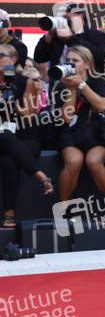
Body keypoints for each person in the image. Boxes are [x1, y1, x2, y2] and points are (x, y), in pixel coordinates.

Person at [52, 45, 105, 210]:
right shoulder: (61, 85)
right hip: (72, 132)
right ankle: (63, 209)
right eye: (68, 60)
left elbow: (102, 106)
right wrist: (71, 89)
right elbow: (67, 118)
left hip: (97, 132)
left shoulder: (100, 81)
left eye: (75, 61)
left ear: (87, 64)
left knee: (94, 161)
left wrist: (81, 85)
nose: (70, 63)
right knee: (73, 161)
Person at [0, 64, 54, 228]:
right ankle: (40, 176)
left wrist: (12, 105)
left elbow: (29, 116)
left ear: (13, 59)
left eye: (2, 55)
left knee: (9, 162)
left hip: (27, 137)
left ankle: (9, 215)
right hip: (3, 137)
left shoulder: (24, 81)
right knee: (4, 133)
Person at [34, 3, 105, 76]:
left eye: (66, 18)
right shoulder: (57, 36)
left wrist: (70, 39)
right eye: (59, 18)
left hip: (88, 81)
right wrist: (49, 35)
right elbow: (39, 58)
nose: (63, 21)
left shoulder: (96, 35)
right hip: (60, 81)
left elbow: (100, 57)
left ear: (80, 17)